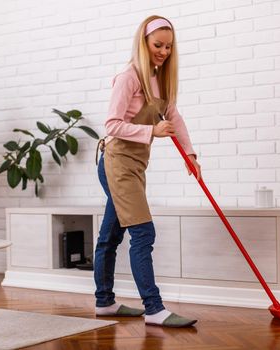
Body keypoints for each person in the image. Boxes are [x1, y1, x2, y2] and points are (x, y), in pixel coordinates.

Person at [94, 15, 201, 328]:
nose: (164, 51)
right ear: (143, 43)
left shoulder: (161, 78)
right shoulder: (129, 77)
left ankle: (104, 303)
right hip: (116, 162)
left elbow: (174, 117)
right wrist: (152, 131)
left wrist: (190, 154)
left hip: (134, 165)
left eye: (168, 46)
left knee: (111, 235)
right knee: (143, 232)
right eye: (158, 45)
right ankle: (154, 308)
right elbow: (112, 124)